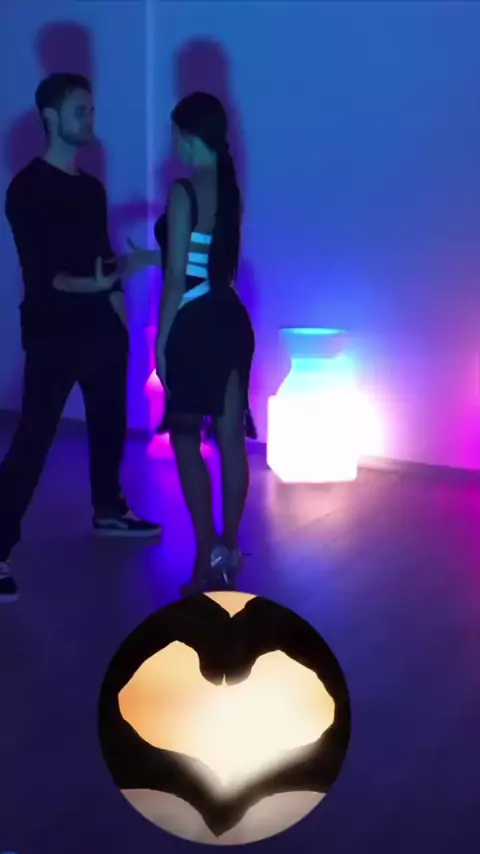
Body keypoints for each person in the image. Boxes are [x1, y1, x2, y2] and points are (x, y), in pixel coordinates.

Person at [0, 73, 161, 604]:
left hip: (101, 330)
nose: (90, 119)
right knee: (33, 440)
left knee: (109, 423)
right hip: (53, 333)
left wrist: (119, 309)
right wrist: (95, 283)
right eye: (80, 111)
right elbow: (46, 273)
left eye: (91, 110)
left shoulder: (90, 188)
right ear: (50, 117)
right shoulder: (27, 189)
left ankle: (109, 509)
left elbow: (100, 259)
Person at [151, 92, 256, 596]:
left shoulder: (184, 192)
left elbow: (176, 278)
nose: (174, 143)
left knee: (186, 437)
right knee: (231, 438)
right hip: (231, 319)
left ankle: (204, 553)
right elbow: (211, 261)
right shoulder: (231, 189)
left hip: (194, 325)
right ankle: (229, 548)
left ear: (189, 135)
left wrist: (161, 341)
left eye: (177, 134)